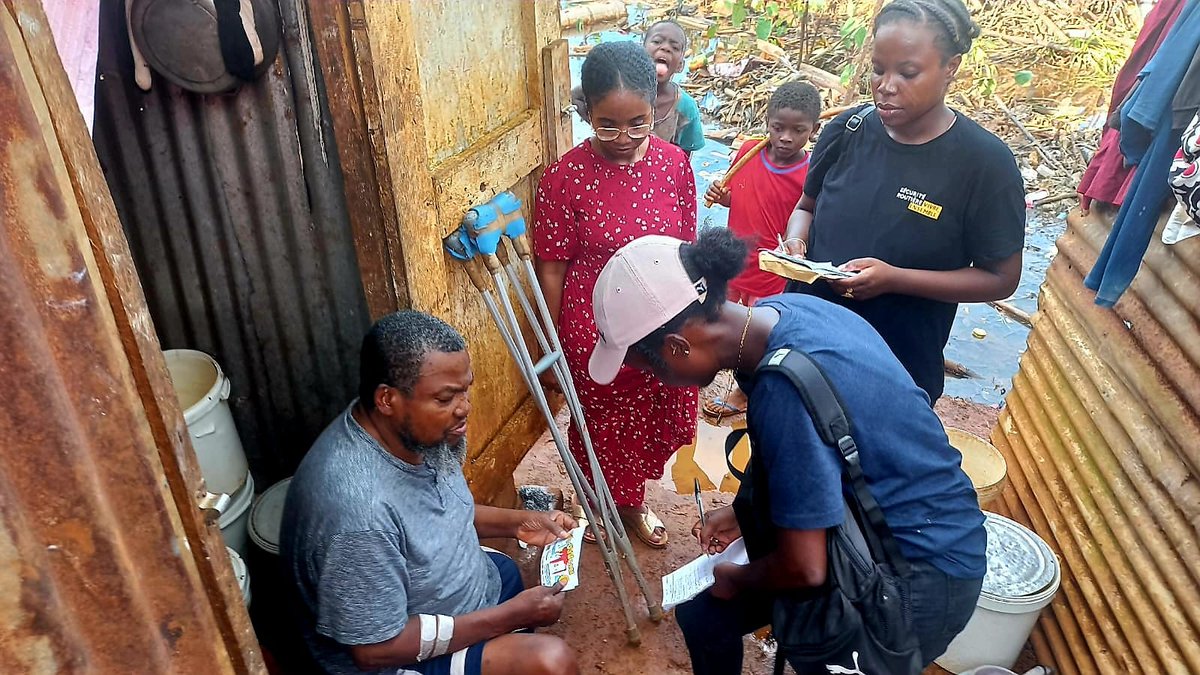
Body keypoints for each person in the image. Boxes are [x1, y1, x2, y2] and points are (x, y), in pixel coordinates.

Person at [587, 228, 986, 674]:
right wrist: (745, 511)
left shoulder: (783, 390)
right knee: (705, 617)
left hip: (916, 574)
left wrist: (736, 578)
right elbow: (818, 443)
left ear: (678, 348)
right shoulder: (791, 311)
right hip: (879, 530)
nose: (659, 381)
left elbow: (805, 570)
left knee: (810, 646)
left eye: (650, 369)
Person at [280, 311, 580, 675]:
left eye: (465, 389)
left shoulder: (422, 431)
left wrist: (518, 522)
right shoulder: (357, 515)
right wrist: (508, 616)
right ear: (387, 400)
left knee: (508, 575)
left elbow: (434, 513)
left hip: (455, 595)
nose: (464, 408)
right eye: (446, 397)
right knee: (551, 662)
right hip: (397, 655)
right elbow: (375, 649)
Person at [781, 0, 1025, 403]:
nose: (886, 85)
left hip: (895, 371)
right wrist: (796, 246)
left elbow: (1002, 278)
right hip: (804, 350)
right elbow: (806, 208)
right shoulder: (847, 131)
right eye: (878, 69)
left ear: (951, 68)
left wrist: (894, 278)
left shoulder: (984, 164)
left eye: (907, 72)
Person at [535, 40, 698, 548]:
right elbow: (553, 268)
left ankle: (630, 501)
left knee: (651, 419)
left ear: (658, 108)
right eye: (607, 124)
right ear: (586, 112)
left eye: (638, 123)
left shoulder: (675, 166)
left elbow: (687, 251)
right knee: (604, 426)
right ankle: (602, 503)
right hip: (598, 329)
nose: (623, 137)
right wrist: (553, 341)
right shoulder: (565, 177)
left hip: (663, 325)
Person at [702, 80, 821, 417]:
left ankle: (743, 392)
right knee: (724, 321)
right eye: (777, 127)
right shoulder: (748, 152)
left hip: (771, 273)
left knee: (756, 336)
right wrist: (720, 196)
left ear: (814, 129)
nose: (785, 137)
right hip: (734, 264)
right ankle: (720, 372)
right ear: (766, 121)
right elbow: (738, 193)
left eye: (798, 130)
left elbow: (808, 216)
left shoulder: (810, 172)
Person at [571, 20, 706, 153]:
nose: (665, 48)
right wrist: (604, 128)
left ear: (680, 65)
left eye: (675, 47)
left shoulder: (686, 107)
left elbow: (685, 154)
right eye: (657, 41)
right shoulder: (617, 90)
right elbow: (576, 96)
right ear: (641, 51)